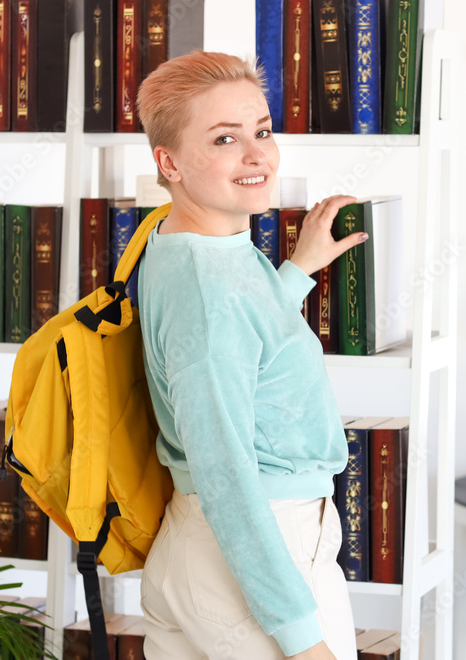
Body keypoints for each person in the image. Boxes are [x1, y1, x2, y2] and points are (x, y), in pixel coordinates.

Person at [135, 50, 368, 660]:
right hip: (255, 548)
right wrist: (300, 639)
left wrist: (293, 274)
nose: (257, 154)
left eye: (262, 131)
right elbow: (227, 476)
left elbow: (235, 345)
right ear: (170, 162)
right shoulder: (212, 284)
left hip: (204, 550)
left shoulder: (180, 241)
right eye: (224, 139)